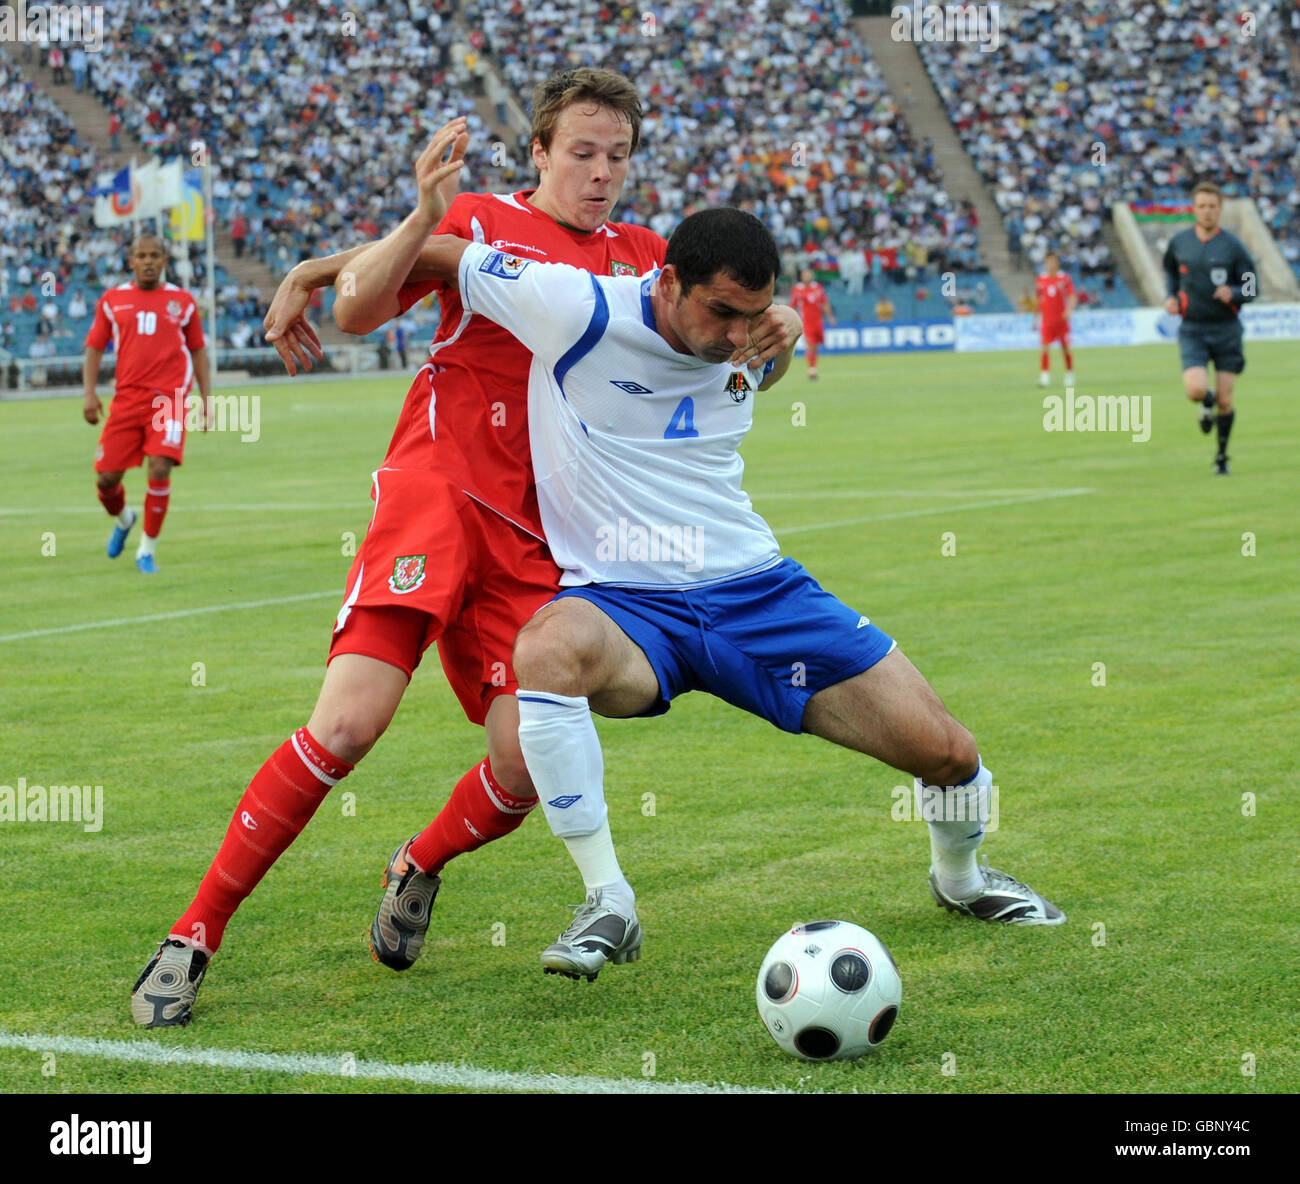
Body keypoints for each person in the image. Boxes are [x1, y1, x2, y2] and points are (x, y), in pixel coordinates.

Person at [383, 204, 1065, 983]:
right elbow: (439, 253)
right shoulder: (577, 305)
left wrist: (781, 345)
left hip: (757, 591)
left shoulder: (749, 331)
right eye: (722, 314)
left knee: (949, 753)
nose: (737, 336)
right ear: (669, 282)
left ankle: (961, 879)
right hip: (626, 603)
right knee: (545, 648)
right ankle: (608, 898)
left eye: (754, 315)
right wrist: (310, 274)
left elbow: (758, 365)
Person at [128, 69, 675, 1028]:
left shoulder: (642, 257)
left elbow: (719, 311)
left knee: (522, 762)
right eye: (580, 153)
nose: (600, 174)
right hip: (436, 493)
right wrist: (415, 216)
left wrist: (777, 323)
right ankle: (193, 935)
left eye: (617, 156)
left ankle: (417, 862)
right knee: (347, 725)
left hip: (536, 536)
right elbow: (358, 309)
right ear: (539, 153)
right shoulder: (477, 219)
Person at [83, 235, 211, 574]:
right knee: (107, 479)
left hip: (169, 401)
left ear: (165, 259)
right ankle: (125, 520)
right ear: (131, 260)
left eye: (155, 255)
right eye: (141, 255)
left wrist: (207, 399)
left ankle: (145, 551)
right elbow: (95, 347)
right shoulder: (113, 300)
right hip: (126, 400)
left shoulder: (182, 302)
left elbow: (198, 350)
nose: (149, 261)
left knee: (159, 467)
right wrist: (89, 393)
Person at [1162, 181, 1255, 475]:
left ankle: (1221, 457)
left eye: (1212, 206)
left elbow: (1252, 285)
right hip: (1193, 329)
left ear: (1220, 209)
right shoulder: (1180, 243)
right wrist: (1171, 296)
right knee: (1195, 389)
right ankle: (1206, 402)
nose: (1207, 211)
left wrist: (1236, 293)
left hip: (1226, 329)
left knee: (1227, 400)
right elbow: (1170, 271)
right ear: (1194, 209)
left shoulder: (1233, 246)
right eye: (1201, 206)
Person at [1034, 250, 1076, 388]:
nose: (1051, 264)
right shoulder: (1041, 279)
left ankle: (1069, 374)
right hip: (1047, 320)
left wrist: (1069, 310)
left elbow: (1072, 296)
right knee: (1045, 348)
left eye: (1053, 261)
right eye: (1048, 261)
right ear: (1045, 263)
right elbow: (1038, 299)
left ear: (1057, 262)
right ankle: (1044, 377)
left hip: (1061, 320)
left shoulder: (1064, 278)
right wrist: (1035, 319)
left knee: (1065, 348)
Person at [789, 266, 836, 379]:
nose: (808, 276)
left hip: (818, 321)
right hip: (806, 322)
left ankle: (813, 366)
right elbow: (793, 305)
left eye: (809, 274)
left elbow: (824, 302)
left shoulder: (818, 287)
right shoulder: (797, 289)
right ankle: (812, 369)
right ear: (802, 276)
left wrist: (830, 316)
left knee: (815, 346)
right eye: (805, 275)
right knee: (811, 345)